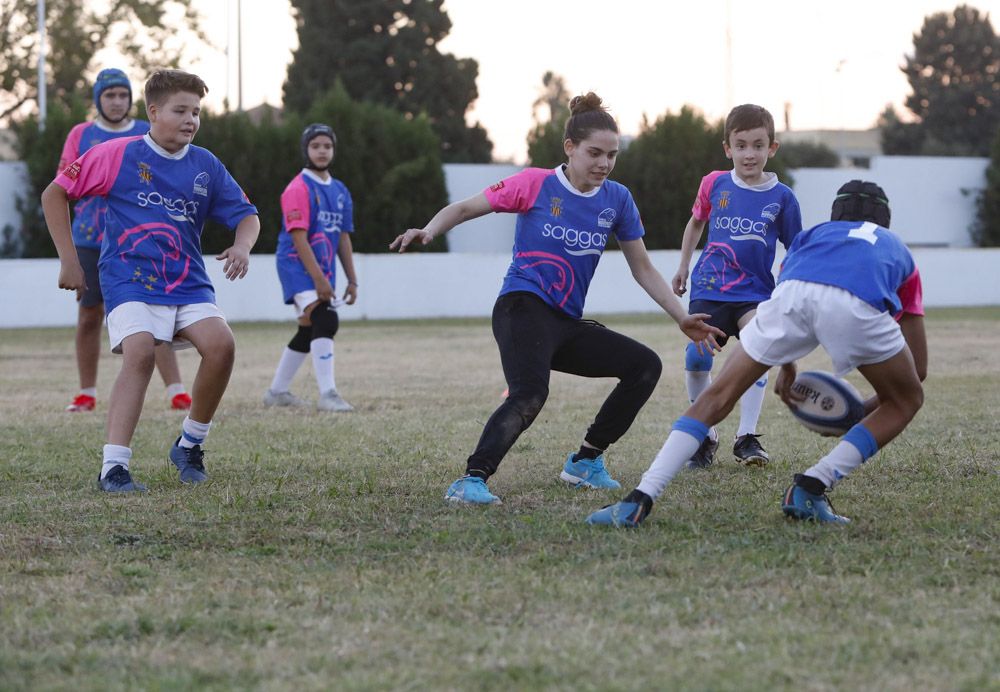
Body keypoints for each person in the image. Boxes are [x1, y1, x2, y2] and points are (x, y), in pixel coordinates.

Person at [390, 93, 724, 505]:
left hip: (565, 323)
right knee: (530, 392)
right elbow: (465, 208)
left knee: (643, 366)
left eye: (612, 155)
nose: (604, 163)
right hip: (521, 306)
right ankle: (471, 480)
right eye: (594, 153)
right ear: (570, 147)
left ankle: (585, 462)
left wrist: (681, 316)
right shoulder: (535, 183)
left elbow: (642, 269)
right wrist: (429, 230)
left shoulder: (617, 199)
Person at [587, 180, 926, 527]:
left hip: (792, 292)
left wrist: (787, 362)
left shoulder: (815, 237)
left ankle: (638, 498)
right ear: (885, 220)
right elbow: (919, 369)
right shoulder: (895, 247)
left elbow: (794, 294)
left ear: (835, 215)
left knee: (717, 396)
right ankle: (811, 486)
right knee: (906, 399)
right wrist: (855, 415)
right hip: (856, 302)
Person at [42, 69, 261, 493]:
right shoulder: (116, 153)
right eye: (180, 110)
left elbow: (247, 215)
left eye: (196, 112)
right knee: (140, 351)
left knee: (222, 345)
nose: (191, 120)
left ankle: (190, 443)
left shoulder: (206, 165)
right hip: (128, 277)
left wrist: (242, 246)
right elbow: (55, 193)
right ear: (154, 111)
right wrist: (69, 260)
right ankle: (114, 468)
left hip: (187, 281)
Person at [671, 104, 802, 468]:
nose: (749, 153)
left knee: (759, 346)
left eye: (758, 145)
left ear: (771, 148)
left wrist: (793, 281)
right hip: (709, 288)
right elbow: (696, 223)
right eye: (741, 145)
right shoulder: (714, 183)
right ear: (728, 148)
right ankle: (704, 435)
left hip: (756, 292)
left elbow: (797, 247)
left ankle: (746, 437)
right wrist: (683, 265)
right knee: (697, 356)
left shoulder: (783, 198)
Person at [58, 68, 191, 413]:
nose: (117, 102)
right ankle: (86, 392)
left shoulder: (145, 132)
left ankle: (176, 389)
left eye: (122, 95)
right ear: (97, 100)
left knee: (152, 311)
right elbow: (63, 185)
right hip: (91, 239)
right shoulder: (81, 135)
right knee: (89, 314)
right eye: (109, 95)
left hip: (141, 239)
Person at [264, 123, 358, 412]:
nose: (321, 151)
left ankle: (277, 392)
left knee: (309, 329)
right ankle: (328, 394)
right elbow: (298, 237)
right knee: (326, 319)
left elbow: (343, 237)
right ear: (306, 149)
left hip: (320, 270)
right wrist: (319, 279)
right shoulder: (297, 188)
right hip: (296, 267)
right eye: (315, 145)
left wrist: (352, 280)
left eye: (327, 146)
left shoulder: (340, 190)